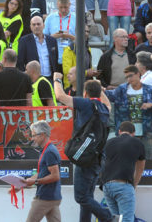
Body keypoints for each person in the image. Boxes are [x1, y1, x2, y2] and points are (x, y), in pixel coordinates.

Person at [54, 76, 113, 222]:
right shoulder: (104, 108)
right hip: (97, 158)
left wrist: (57, 79)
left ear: (85, 93)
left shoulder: (85, 103)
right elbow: (108, 103)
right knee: (87, 197)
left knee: (81, 197)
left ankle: (108, 217)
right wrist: (99, 88)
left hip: (84, 157)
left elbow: (60, 96)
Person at [105, 65, 152, 159]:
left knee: (146, 160)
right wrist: (100, 89)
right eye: (127, 77)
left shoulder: (149, 89)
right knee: (126, 160)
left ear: (138, 74)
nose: (129, 79)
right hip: (126, 132)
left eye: (131, 76)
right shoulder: (122, 89)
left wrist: (151, 104)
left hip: (146, 131)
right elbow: (109, 95)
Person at [100, 121, 146, 222]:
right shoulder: (138, 143)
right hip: (123, 185)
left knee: (116, 219)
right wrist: (134, 185)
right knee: (127, 219)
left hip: (107, 186)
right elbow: (140, 168)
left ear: (119, 131)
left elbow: (102, 163)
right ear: (133, 133)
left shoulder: (109, 142)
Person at [23, 120, 62, 222]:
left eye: (34, 135)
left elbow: (55, 176)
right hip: (52, 196)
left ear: (42, 135)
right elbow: (41, 173)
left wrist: (35, 181)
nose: (32, 138)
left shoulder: (49, 152)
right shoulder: (46, 150)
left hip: (45, 197)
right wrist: (26, 182)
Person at [44, 0, 76, 68]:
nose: (63, 10)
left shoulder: (76, 17)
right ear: (57, 4)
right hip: (54, 57)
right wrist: (53, 37)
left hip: (71, 58)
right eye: (61, 7)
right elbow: (43, 38)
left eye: (65, 7)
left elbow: (82, 40)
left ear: (69, 5)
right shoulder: (50, 18)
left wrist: (70, 36)